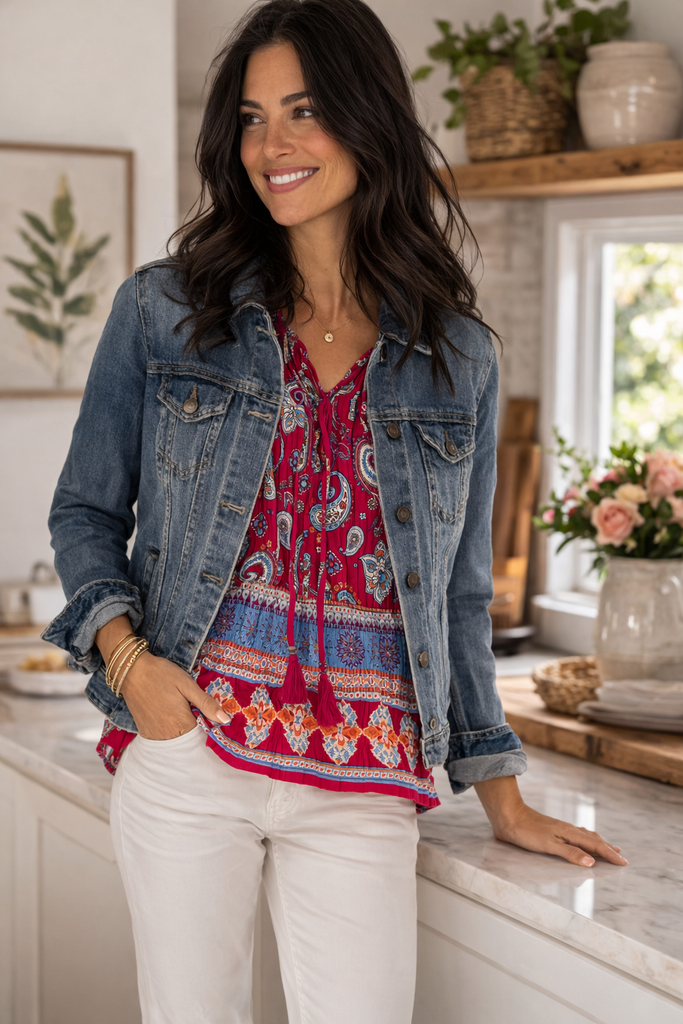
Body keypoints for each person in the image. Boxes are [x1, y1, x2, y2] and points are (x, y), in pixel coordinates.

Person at [43, 1, 627, 1021]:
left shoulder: (457, 357)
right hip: (193, 752)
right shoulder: (164, 309)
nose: (271, 144)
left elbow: (454, 594)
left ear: (367, 121)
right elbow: (84, 512)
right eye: (253, 116)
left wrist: (497, 790)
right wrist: (134, 673)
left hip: (363, 780)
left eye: (304, 110)